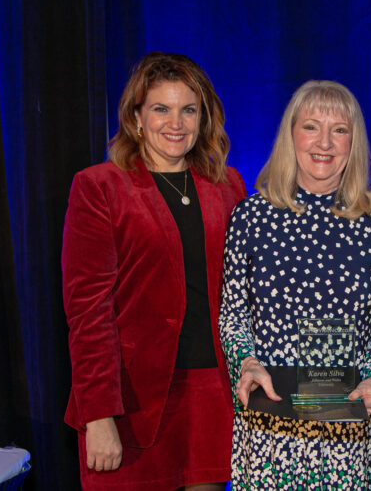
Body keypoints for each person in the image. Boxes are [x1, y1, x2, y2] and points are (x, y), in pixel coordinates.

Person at [62, 52, 246, 490]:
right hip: (131, 400)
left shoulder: (229, 186)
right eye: (161, 108)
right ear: (137, 118)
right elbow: (88, 313)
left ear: (203, 119)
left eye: (188, 110)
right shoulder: (100, 187)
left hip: (212, 395)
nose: (175, 122)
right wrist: (99, 416)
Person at [218, 80, 371, 489]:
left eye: (339, 129)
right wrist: (245, 363)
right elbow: (233, 314)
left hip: (349, 435)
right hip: (270, 431)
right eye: (311, 126)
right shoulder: (250, 218)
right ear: (291, 135)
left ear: (353, 141)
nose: (325, 142)